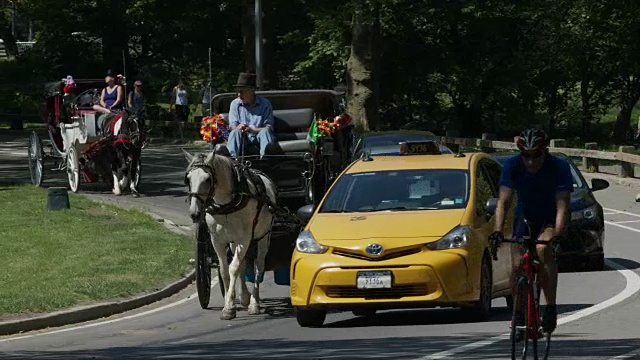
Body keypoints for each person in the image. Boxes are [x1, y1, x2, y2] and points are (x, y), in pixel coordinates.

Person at [488, 128, 573, 336]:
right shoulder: (512, 165)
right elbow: (504, 201)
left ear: (545, 152)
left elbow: (563, 205)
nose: (531, 162)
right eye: (526, 156)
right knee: (517, 265)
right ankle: (519, 312)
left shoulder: (558, 167)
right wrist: (498, 230)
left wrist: (559, 235)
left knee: (542, 251)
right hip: (524, 218)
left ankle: (551, 308)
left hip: (550, 218)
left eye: (536, 156)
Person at [226, 72, 277, 159]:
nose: (239, 95)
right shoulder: (235, 104)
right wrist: (239, 127)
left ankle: (265, 161)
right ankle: (232, 161)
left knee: (265, 133)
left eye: (242, 92)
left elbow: (269, 128)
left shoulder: (265, 104)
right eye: (238, 92)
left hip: (259, 136)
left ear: (252, 91)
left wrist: (251, 129)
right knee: (234, 132)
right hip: (242, 138)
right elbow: (232, 126)